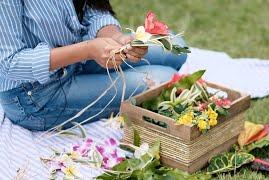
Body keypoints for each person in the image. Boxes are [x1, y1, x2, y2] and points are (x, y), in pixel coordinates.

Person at [0, 0, 187, 131]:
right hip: (36, 95)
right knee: (166, 79)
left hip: (76, 60)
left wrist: (116, 38)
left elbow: (93, 9)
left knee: (174, 45)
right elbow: (8, 63)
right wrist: (88, 50)